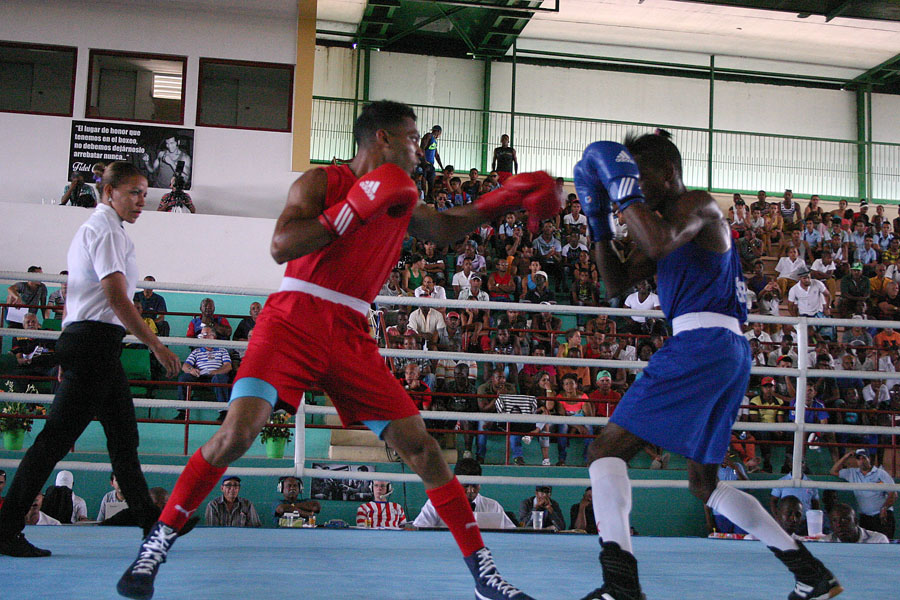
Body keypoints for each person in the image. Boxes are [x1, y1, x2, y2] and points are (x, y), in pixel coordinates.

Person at [117, 100, 559, 600]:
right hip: (292, 319)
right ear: (384, 140)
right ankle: (157, 543)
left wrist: (504, 200)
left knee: (424, 449)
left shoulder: (404, 195)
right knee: (236, 434)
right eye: (413, 139)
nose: (421, 150)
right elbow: (281, 246)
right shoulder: (320, 182)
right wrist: (351, 211)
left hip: (350, 331)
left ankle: (485, 575)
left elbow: (441, 228)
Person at [573, 132, 840, 600]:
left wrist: (621, 192)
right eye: (627, 174)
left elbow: (655, 245)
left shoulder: (695, 205)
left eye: (638, 175)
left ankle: (620, 586)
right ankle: (811, 573)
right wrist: (597, 219)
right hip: (721, 350)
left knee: (604, 453)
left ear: (668, 173)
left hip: (702, 343)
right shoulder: (660, 222)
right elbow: (613, 284)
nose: (633, 183)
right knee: (703, 482)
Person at [0, 162, 181, 559]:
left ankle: (154, 527)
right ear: (109, 192)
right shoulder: (103, 230)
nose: (141, 201)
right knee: (55, 443)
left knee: (123, 442)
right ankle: (6, 527)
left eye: (145, 193)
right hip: (94, 345)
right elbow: (116, 298)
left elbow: (97, 301)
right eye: (133, 192)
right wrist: (155, 345)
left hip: (96, 346)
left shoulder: (109, 230)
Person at [412, 459, 515, 530]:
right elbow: (419, 529)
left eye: (475, 485)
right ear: (455, 482)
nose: (470, 490)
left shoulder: (493, 506)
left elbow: (512, 534)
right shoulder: (436, 503)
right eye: (465, 486)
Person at [830, 449, 896, 540]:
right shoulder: (852, 473)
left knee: (885, 542)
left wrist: (884, 508)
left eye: (864, 458)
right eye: (859, 459)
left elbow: (893, 493)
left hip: (882, 516)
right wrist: (846, 456)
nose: (861, 461)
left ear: (869, 459)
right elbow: (833, 471)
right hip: (865, 517)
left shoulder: (881, 473)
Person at [823, 502, 889, 544]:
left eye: (844, 520)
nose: (839, 525)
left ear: (856, 521)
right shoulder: (824, 542)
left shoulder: (878, 541)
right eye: (834, 521)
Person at [419, 125, 443, 198]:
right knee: (423, 182)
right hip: (424, 164)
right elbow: (422, 148)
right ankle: (424, 198)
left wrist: (442, 167)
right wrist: (424, 162)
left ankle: (429, 199)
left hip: (430, 165)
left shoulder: (434, 141)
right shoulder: (428, 136)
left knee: (431, 184)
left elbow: (436, 155)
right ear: (438, 131)